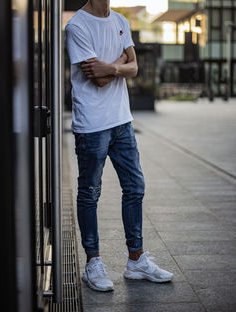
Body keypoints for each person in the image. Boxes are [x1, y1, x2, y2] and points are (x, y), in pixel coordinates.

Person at [65, 0, 173, 292]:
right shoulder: (77, 26)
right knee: (90, 192)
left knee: (135, 186)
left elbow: (134, 68)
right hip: (93, 124)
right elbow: (98, 80)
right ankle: (93, 263)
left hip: (121, 120)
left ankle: (136, 260)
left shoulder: (121, 22)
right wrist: (120, 66)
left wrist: (111, 65)